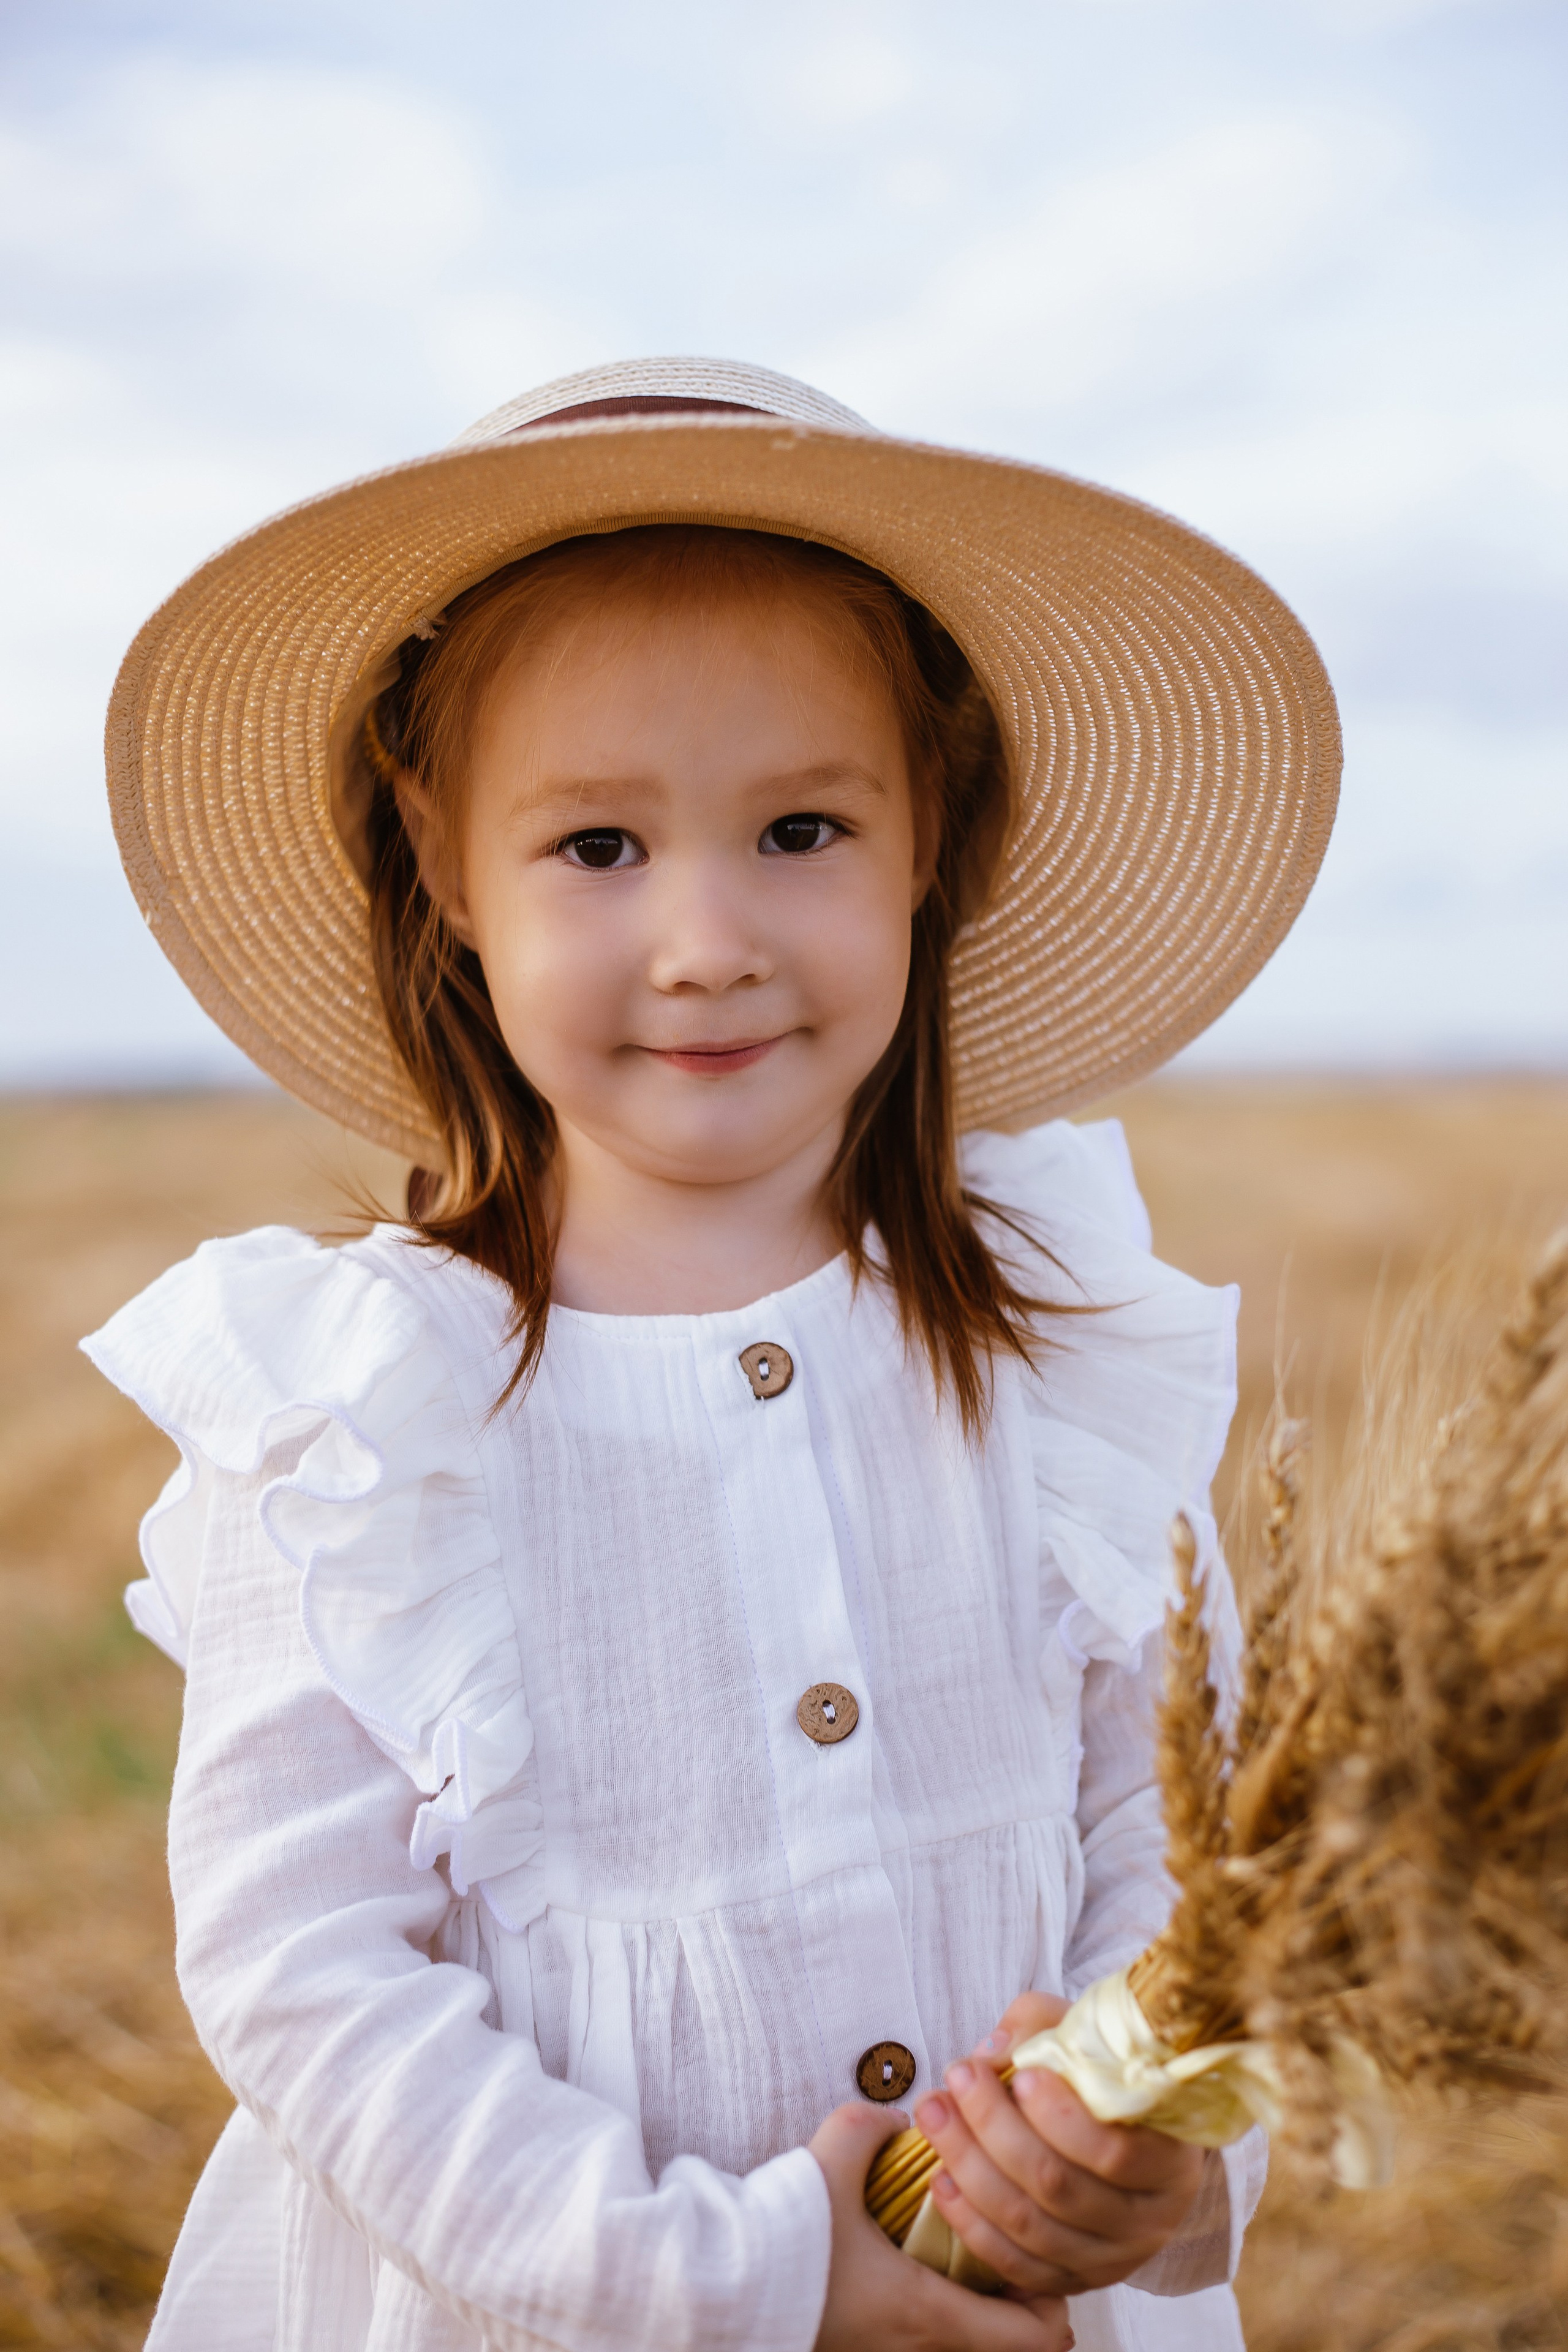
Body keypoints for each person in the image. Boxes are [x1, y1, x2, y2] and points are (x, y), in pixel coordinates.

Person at [85, 360, 1340, 2352]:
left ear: (930, 838)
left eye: (801, 827)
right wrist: (737, 2281)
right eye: (597, 846)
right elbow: (302, 1972)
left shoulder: (1060, 1344)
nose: (705, 939)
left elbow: (1196, 1849)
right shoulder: (357, 1416)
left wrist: (1172, 2151)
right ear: (442, 858)